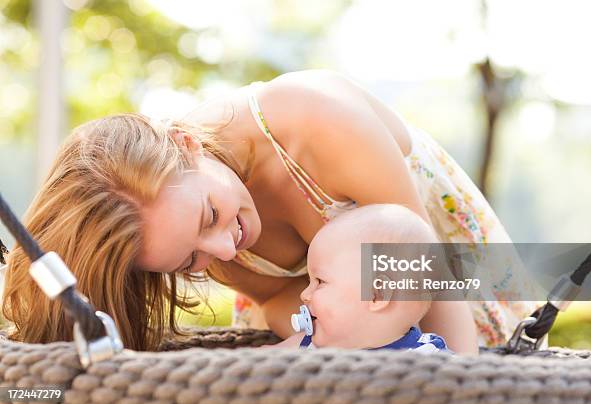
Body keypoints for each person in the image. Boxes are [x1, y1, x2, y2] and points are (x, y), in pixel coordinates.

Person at [2, 69, 534, 352]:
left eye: (209, 216)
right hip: (350, 332)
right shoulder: (197, 238)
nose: (223, 250)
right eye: (190, 262)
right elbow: (280, 301)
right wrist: (325, 325)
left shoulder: (317, 118)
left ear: (186, 142)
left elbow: (425, 278)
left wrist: (463, 382)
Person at [269, 204, 455, 353]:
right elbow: (255, 365)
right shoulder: (306, 346)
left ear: (376, 295)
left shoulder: (429, 362)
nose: (305, 294)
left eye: (320, 281)